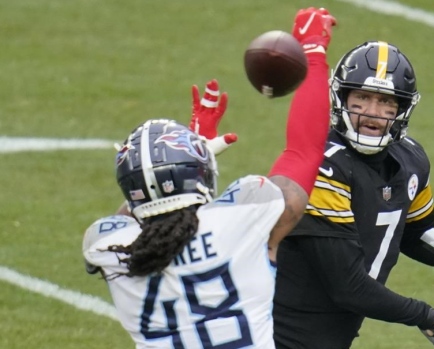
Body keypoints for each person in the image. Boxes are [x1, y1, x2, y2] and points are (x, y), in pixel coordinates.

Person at [272, 15, 434, 349]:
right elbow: (347, 286)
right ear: (341, 99)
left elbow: (412, 230)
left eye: (386, 102)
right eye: (361, 98)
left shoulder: (410, 158)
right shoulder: (325, 166)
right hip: (278, 332)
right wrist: (423, 315)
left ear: (401, 109)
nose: (372, 112)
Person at [81, 16, 332, 347]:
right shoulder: (246, 213)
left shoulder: (107, 246)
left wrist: (181, 165)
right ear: (200, 171)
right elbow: (302, 152)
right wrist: (313, 53)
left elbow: (134, 213)